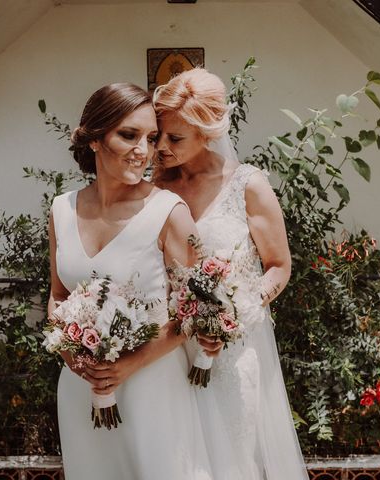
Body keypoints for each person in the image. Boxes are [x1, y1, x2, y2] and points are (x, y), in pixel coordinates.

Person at [47, 83, 212, 480]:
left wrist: (129, 364)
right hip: (80, 389)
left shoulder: (169, 212)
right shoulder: (61, 210)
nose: (144, 149)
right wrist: (70, 353)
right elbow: (57, 296)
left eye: (151, 138)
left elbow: (199, 309)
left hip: (151, 384)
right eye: (128, 135)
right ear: (95, 140)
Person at [152, 68, 309, 479]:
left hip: (229, 351)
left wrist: (235, 313)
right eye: (159, 135)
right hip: (165, 349)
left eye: (175, 138)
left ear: (207, 133)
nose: (161, 147)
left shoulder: (248, 186)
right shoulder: (154, 186)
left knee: (232, 461)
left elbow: (278, 265)